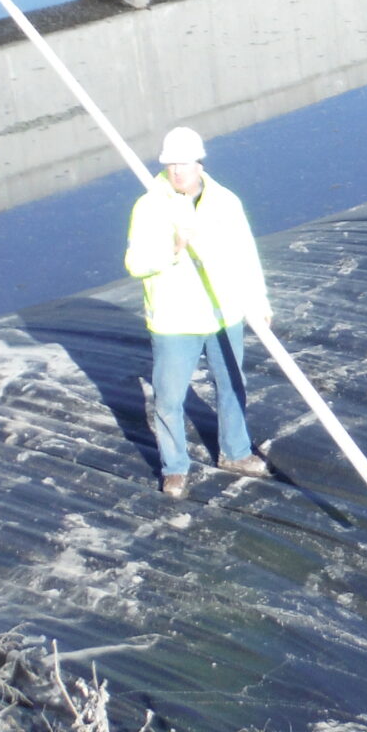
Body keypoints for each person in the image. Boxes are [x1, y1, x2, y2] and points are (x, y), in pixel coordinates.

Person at [124, 126, 270, 497]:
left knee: (233, 385)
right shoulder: (151, 207)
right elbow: (136, 263)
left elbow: (245, 254)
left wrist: (258, 300)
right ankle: (175, 468)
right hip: (175, 321)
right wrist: (173, 247)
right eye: (170, 164)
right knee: (169, 398)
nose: (177, 172)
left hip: (224, 313)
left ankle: (235, 452)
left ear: (199, 163)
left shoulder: (226, 203)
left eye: (183, 164)